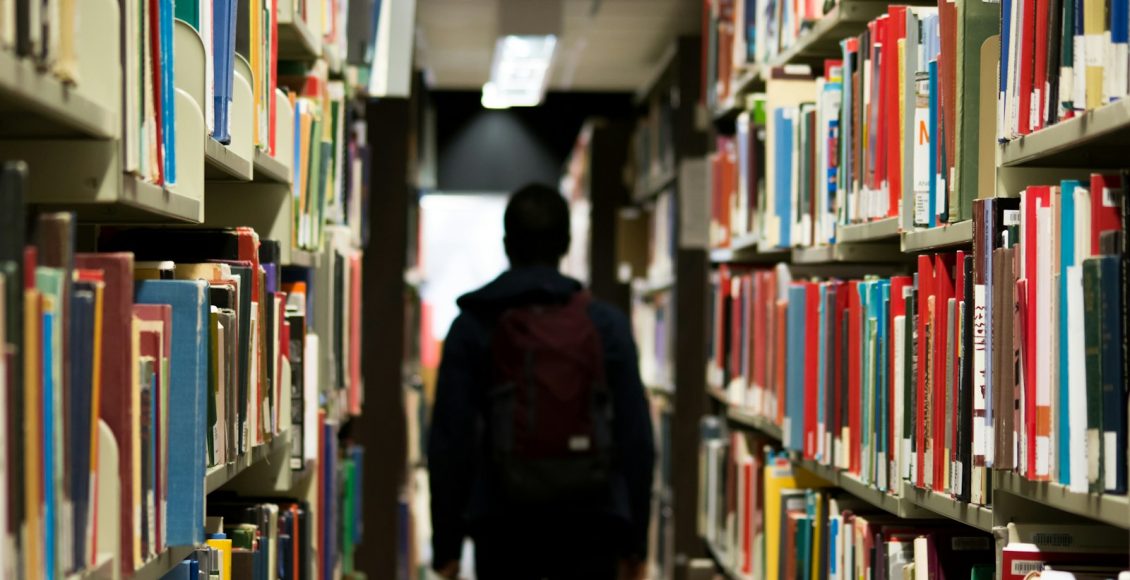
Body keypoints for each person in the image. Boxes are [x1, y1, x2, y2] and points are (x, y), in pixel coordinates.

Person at [428, 183, 655, 580]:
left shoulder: (472, 325)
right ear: (566, 243)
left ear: (506, 243)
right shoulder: (606, 325)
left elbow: (451, 440)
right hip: (591, 524)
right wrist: (635, 542)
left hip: (502, 526)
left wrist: (446, 543)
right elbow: (636, 438)